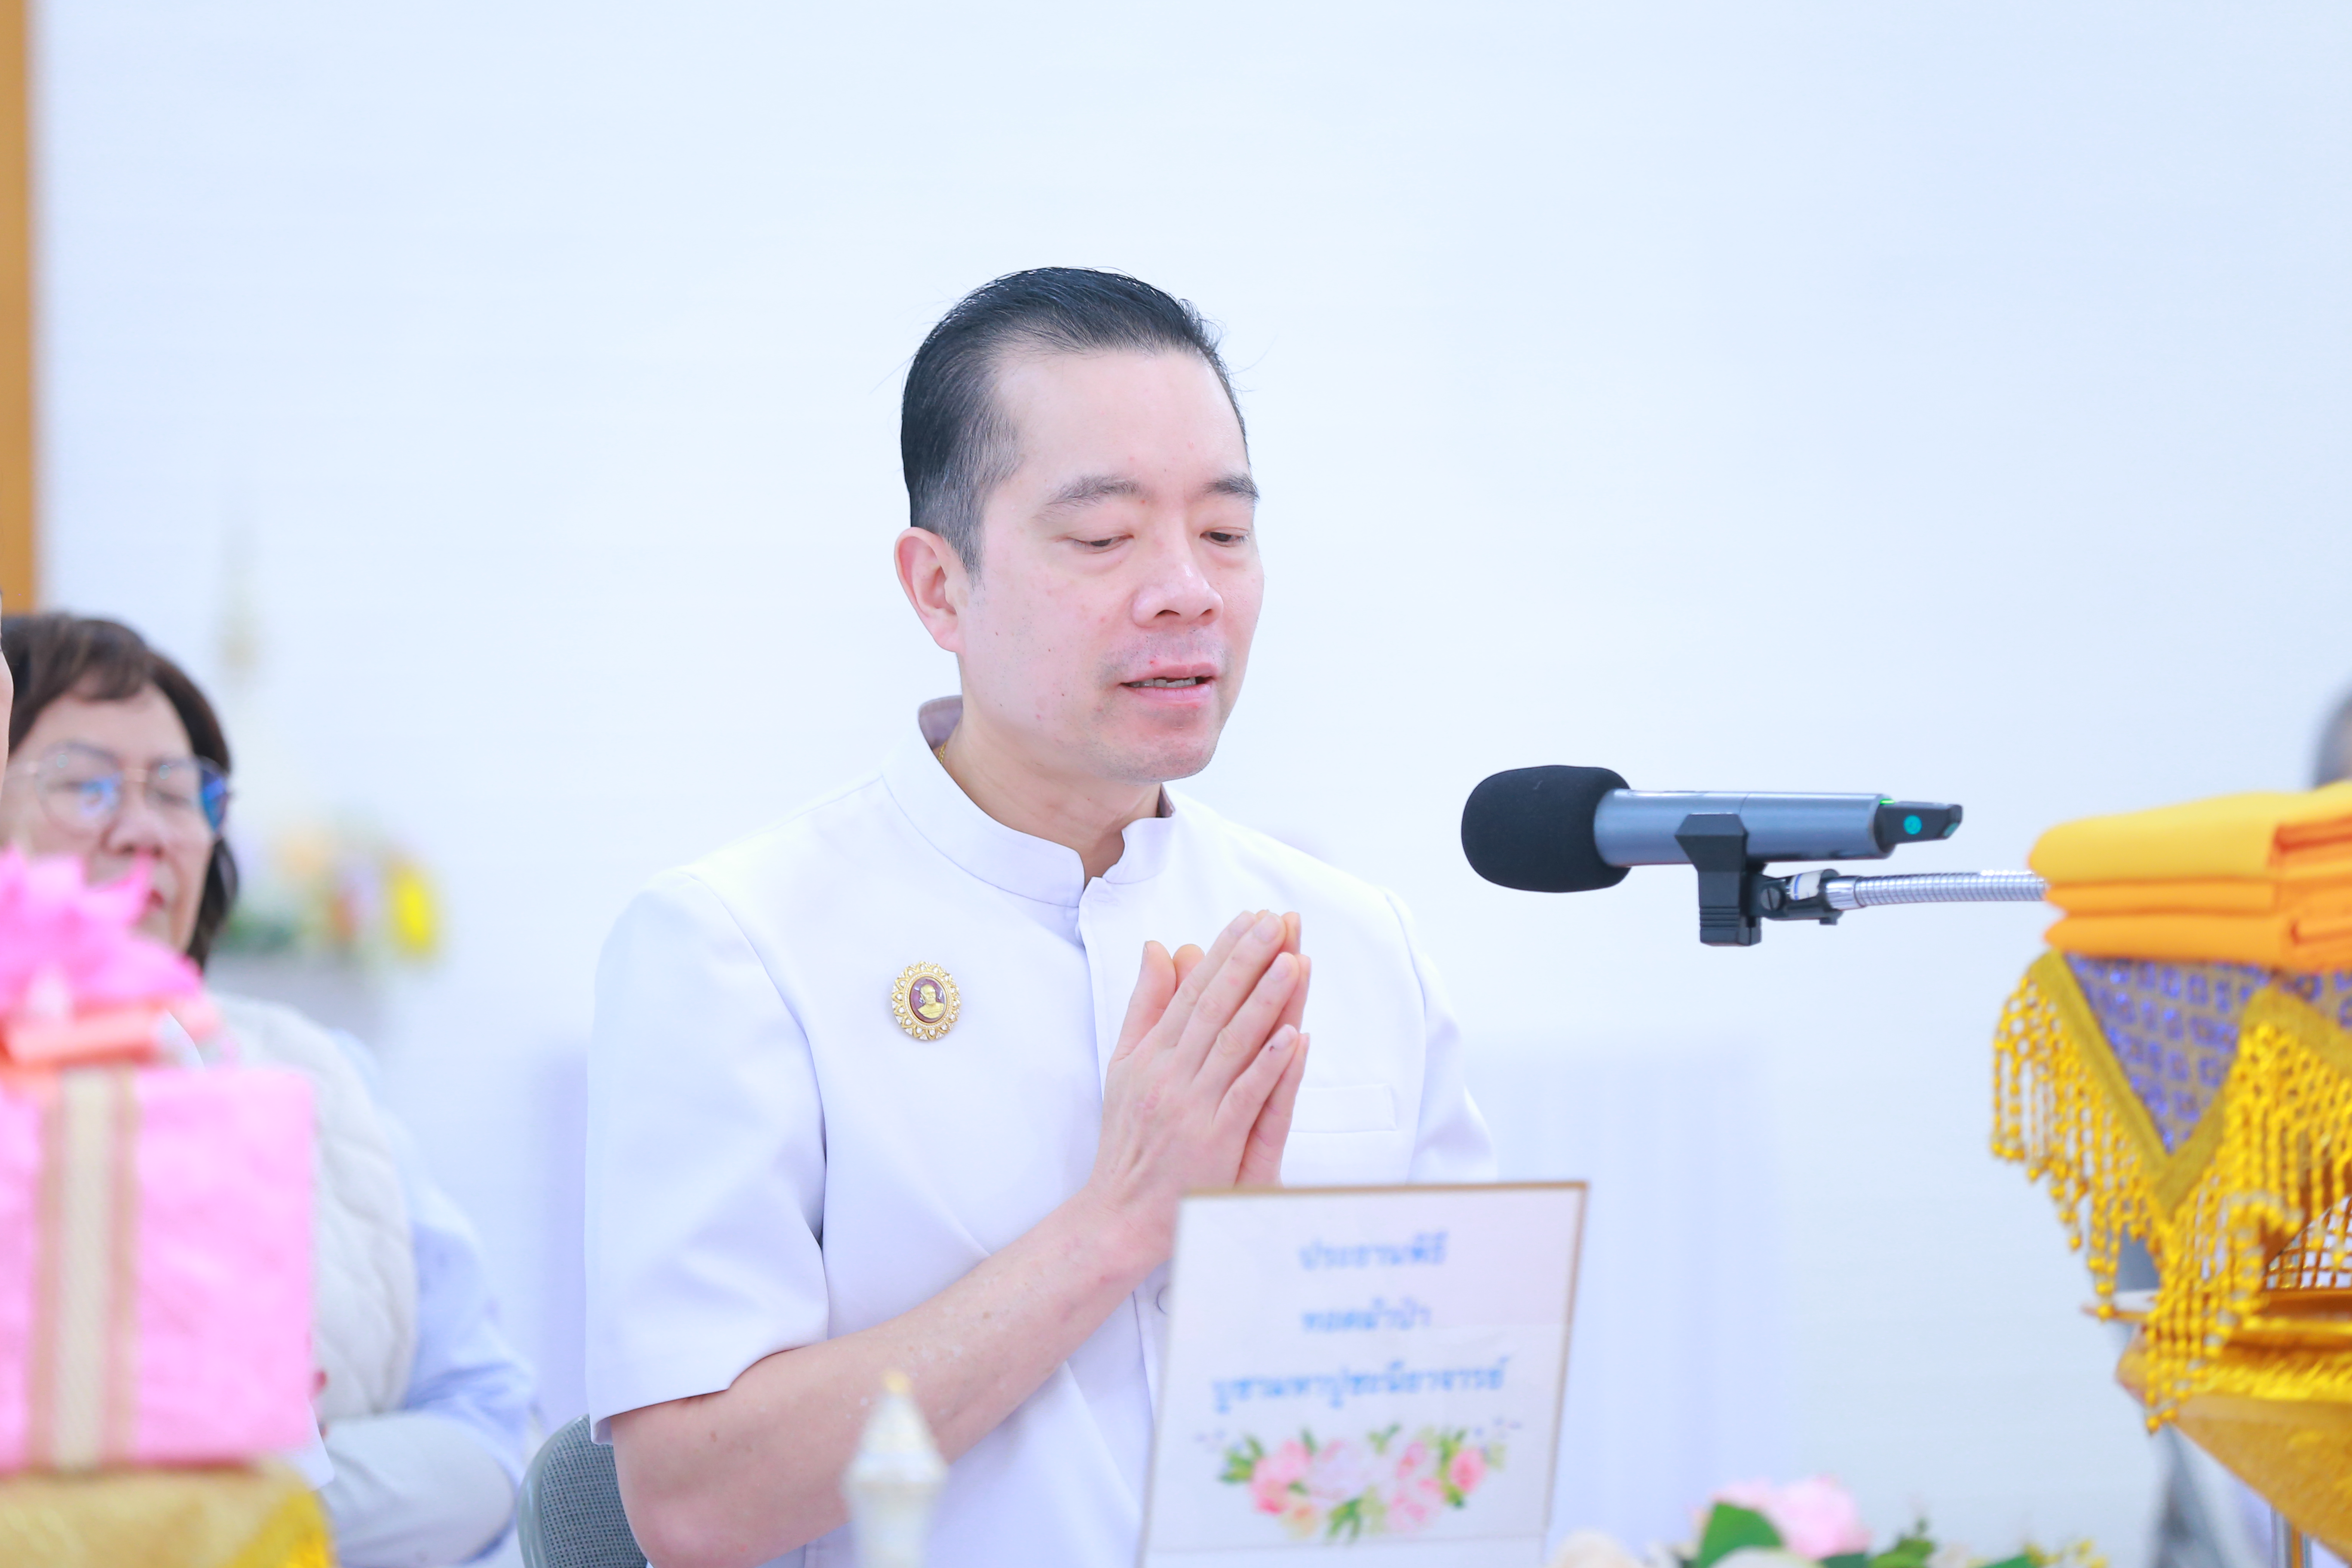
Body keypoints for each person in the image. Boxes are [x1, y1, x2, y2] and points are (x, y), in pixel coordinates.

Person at [588, 267, 1496, 1568]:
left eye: (1225, 532)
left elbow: (1444, 1453)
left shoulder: (1357, 944)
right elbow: (694, 1504)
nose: (1187, 590)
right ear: (938, 588)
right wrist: (1121, 1224)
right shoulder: (737, 945)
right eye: (1104, 537)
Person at [0, 612, 535, 1567]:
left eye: (178, 791)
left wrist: (257, 1511)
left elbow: (491, 1430)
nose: (146, 830)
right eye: (86, 784)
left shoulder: (323, 1078)